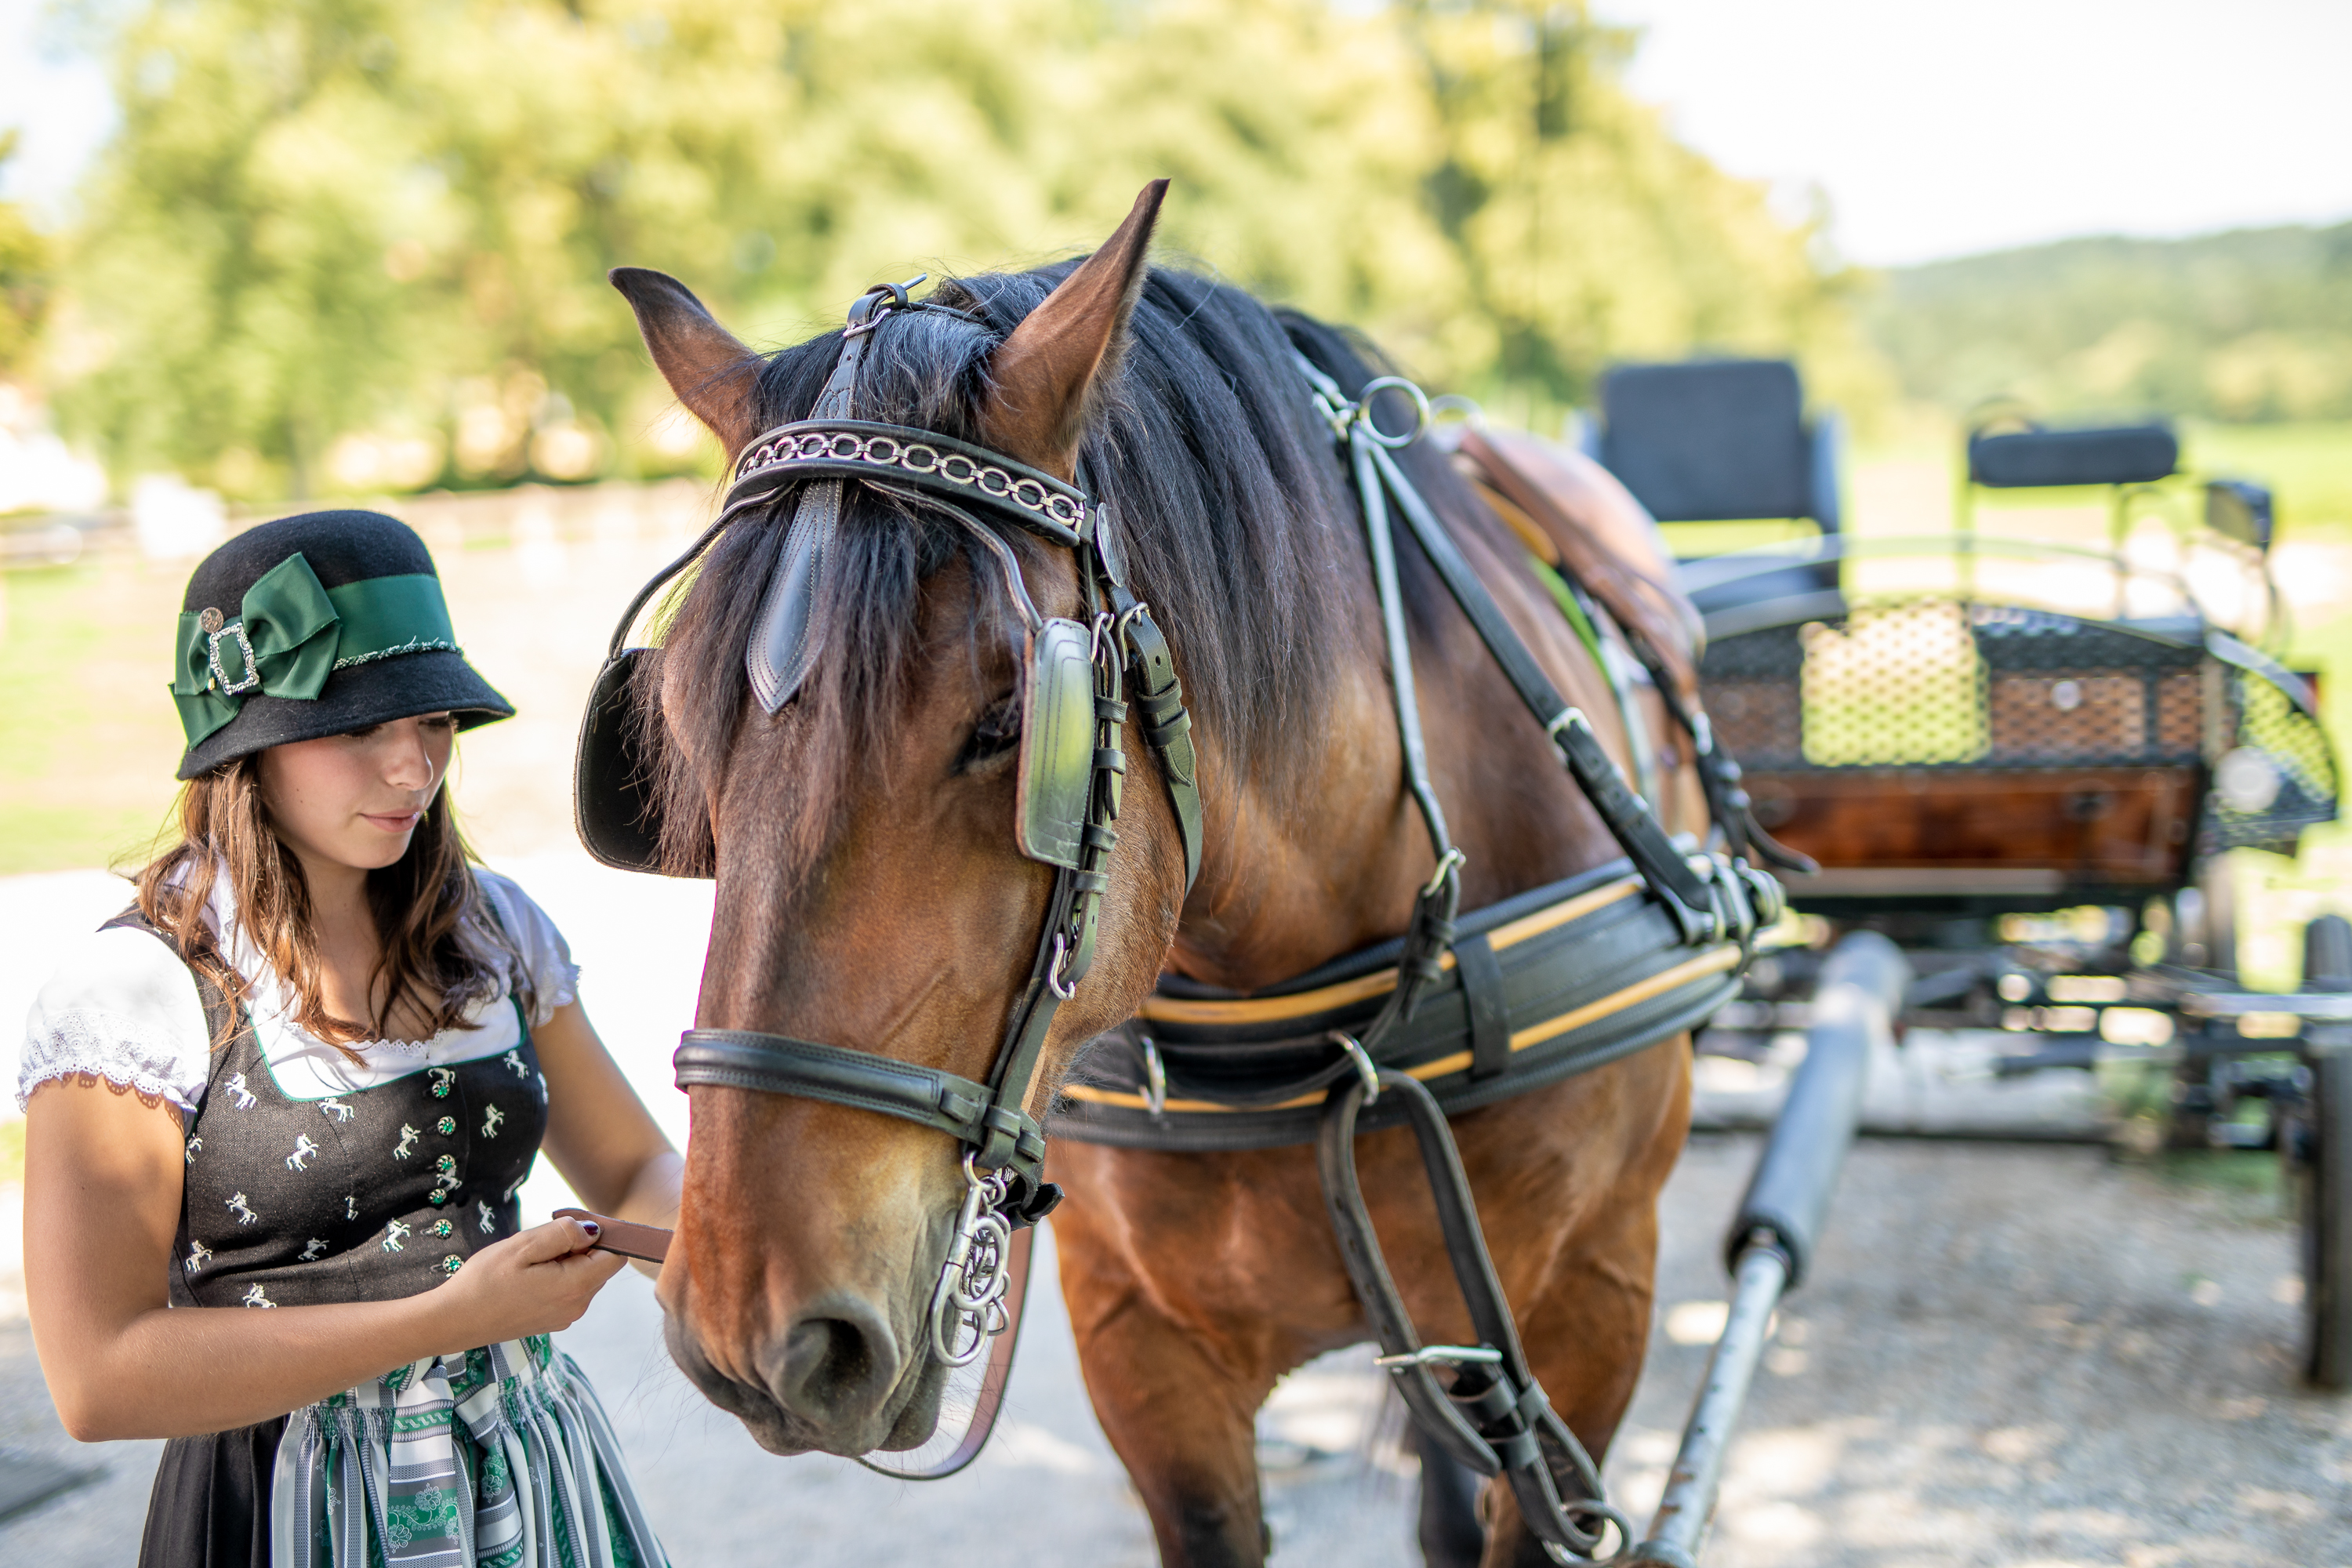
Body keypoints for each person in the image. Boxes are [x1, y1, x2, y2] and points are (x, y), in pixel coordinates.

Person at [16, 510, 680, 1567]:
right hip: (288, 1505)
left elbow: (634, 1163)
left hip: (526, 1472)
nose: (415, 770)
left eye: (433, 725)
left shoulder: (493, 928)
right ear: (248, 746)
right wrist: (447, 1319)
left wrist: (732, 1248)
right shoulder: (136, 994)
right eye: (362, 729)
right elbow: (99, 1377)